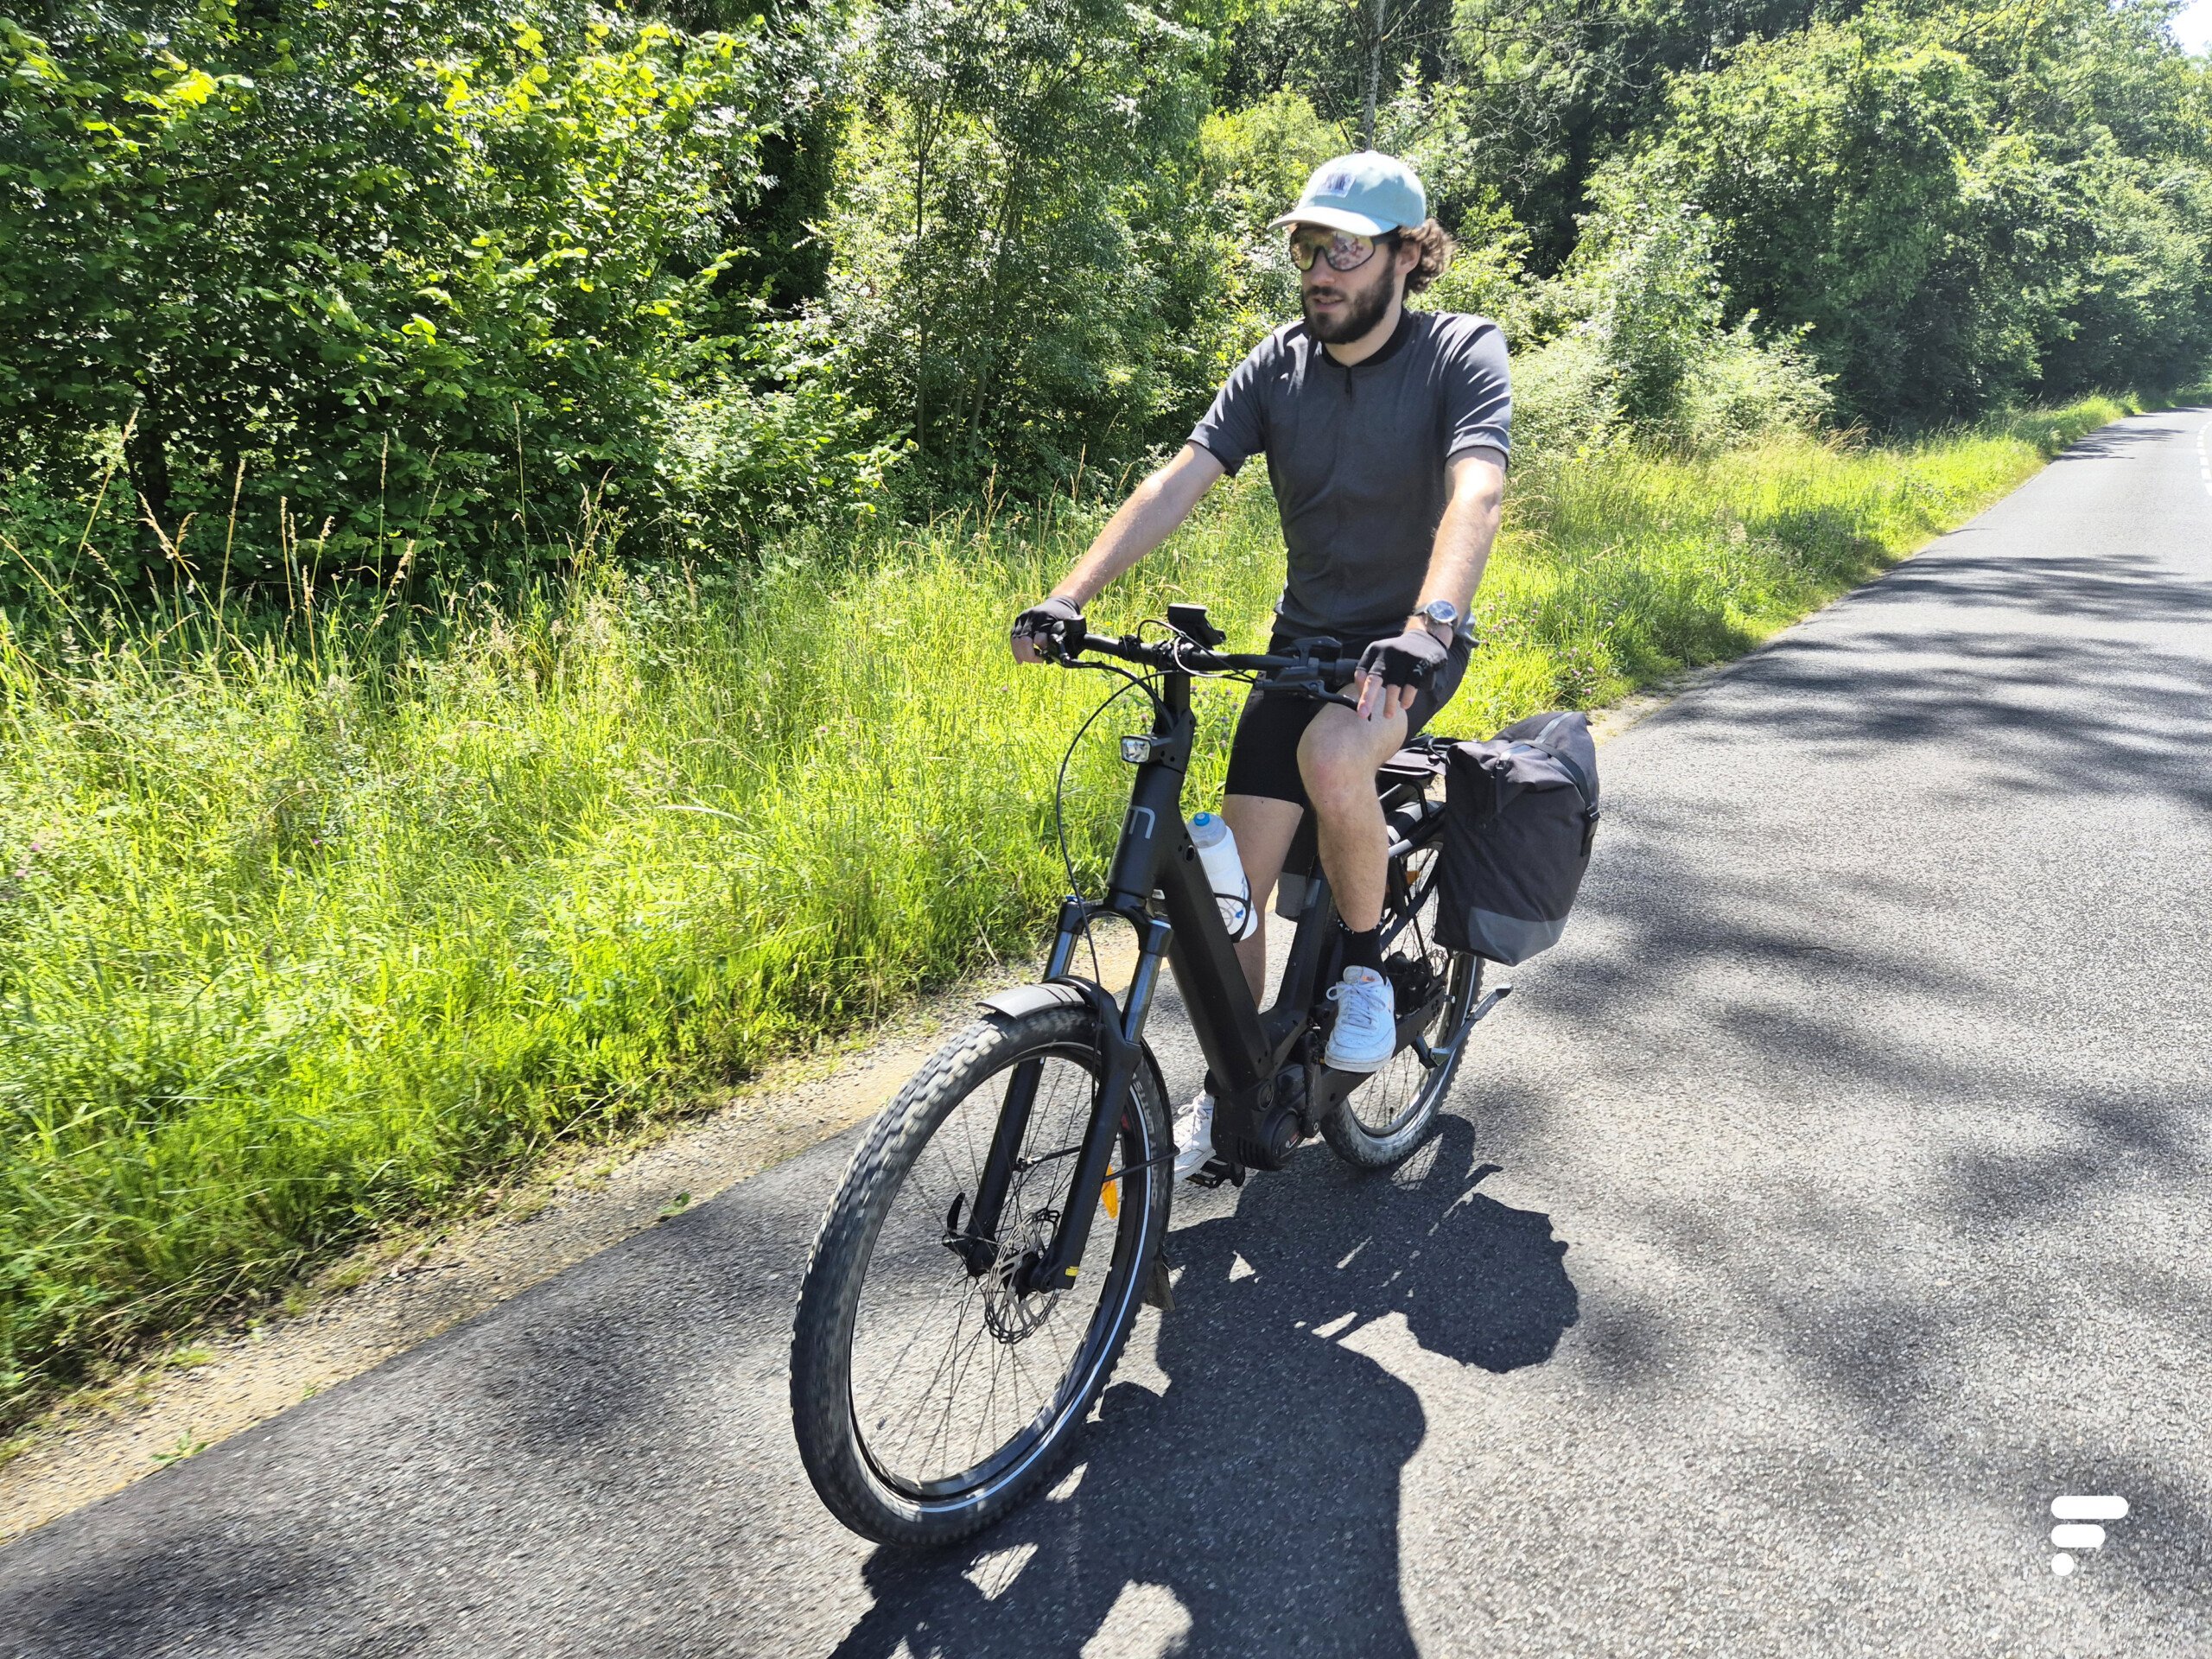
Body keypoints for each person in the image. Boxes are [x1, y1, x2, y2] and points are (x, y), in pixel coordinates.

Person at [1010, 150, 1510, 1180]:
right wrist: (1070, 596)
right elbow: (1178, 479)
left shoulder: (1459, 351)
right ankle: (1239, 1080)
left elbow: (1476, 494)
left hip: (1407, 644)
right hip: (1304, 646)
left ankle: (1367, 973)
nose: (1318, 270)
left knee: (1337, 757)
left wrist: (1431, 620)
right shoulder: (1279, 362)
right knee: (1229, 875)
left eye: (1345, 249)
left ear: (1408, 257)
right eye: (1306, 247)